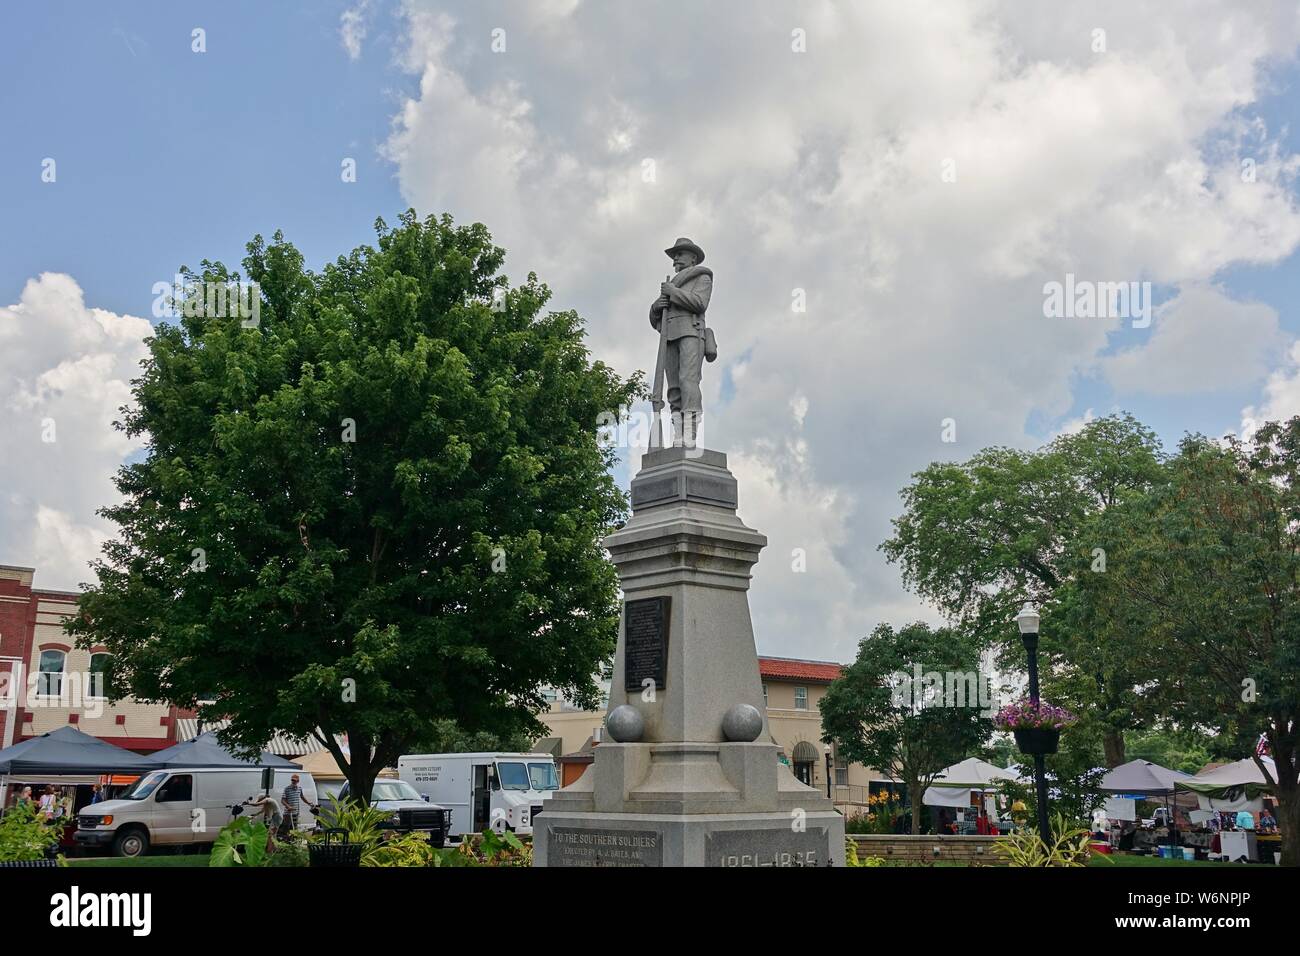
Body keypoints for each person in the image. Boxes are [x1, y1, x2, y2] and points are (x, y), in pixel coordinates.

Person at [648, 238, 714, 448]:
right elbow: (655, 319)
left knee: (688, 381)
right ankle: (679, 434)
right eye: (675, 255)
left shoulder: (702, 277)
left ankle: (690, 434)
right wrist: (656, 307)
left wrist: (672, 293)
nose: (676, 258)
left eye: (680, 253)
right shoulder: (670, 285)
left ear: (692, 257)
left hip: (691, 333)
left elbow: (699, 303)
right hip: (668, 336)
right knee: (674, 388)